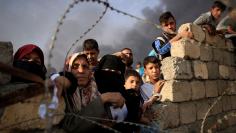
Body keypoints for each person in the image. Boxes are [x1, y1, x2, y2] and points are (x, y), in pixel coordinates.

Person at [51, 53, 125, 132]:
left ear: (90, 71)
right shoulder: (62, 94)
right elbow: (70, 126)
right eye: (75, 67)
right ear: (69, 69)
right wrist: (102, 99)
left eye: (85, 66)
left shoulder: (98, 88)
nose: (81, 71)